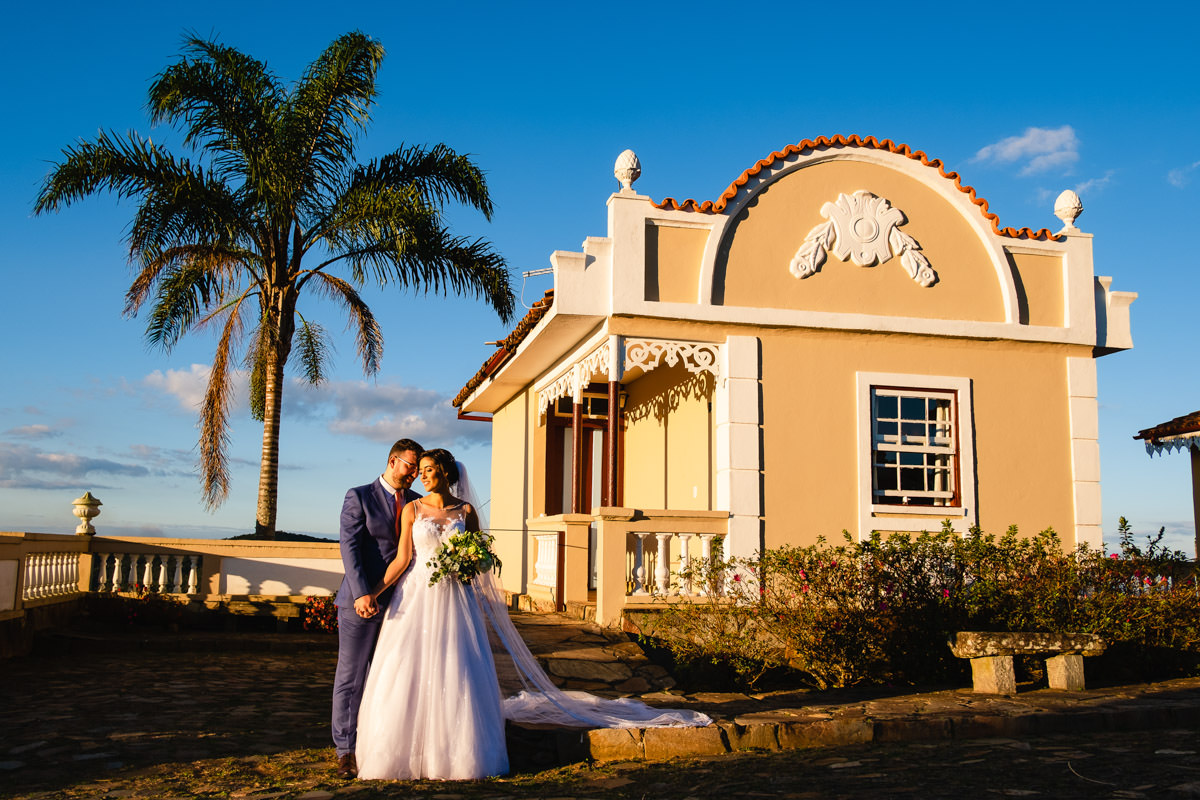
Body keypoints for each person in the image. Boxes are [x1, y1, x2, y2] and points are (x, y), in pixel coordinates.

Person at [355, 447, 711, 782]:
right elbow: (402, 560)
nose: (423, 476)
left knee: (457, 668)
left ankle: (455, 755)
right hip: (419, 594)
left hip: (455, 600)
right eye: (422, 471)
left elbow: (479, 558)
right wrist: (373, 591)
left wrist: (467, 563)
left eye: (430, 470)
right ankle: (400, 754)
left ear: (446, 473)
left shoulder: (465, 512)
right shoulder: (412, 510)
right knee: (409, 667)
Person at [331, 438, 423, 779]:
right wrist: (361, 594)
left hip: (404, 605)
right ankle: (346, 750)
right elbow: (349, 548)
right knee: (351, 677)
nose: (413, 473)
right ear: (392, 460)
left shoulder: (417, 503)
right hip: (360, 602)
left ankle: (380, 744)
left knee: (390, 677)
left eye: (417, 468)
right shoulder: (358, 496)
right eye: (409, 466)